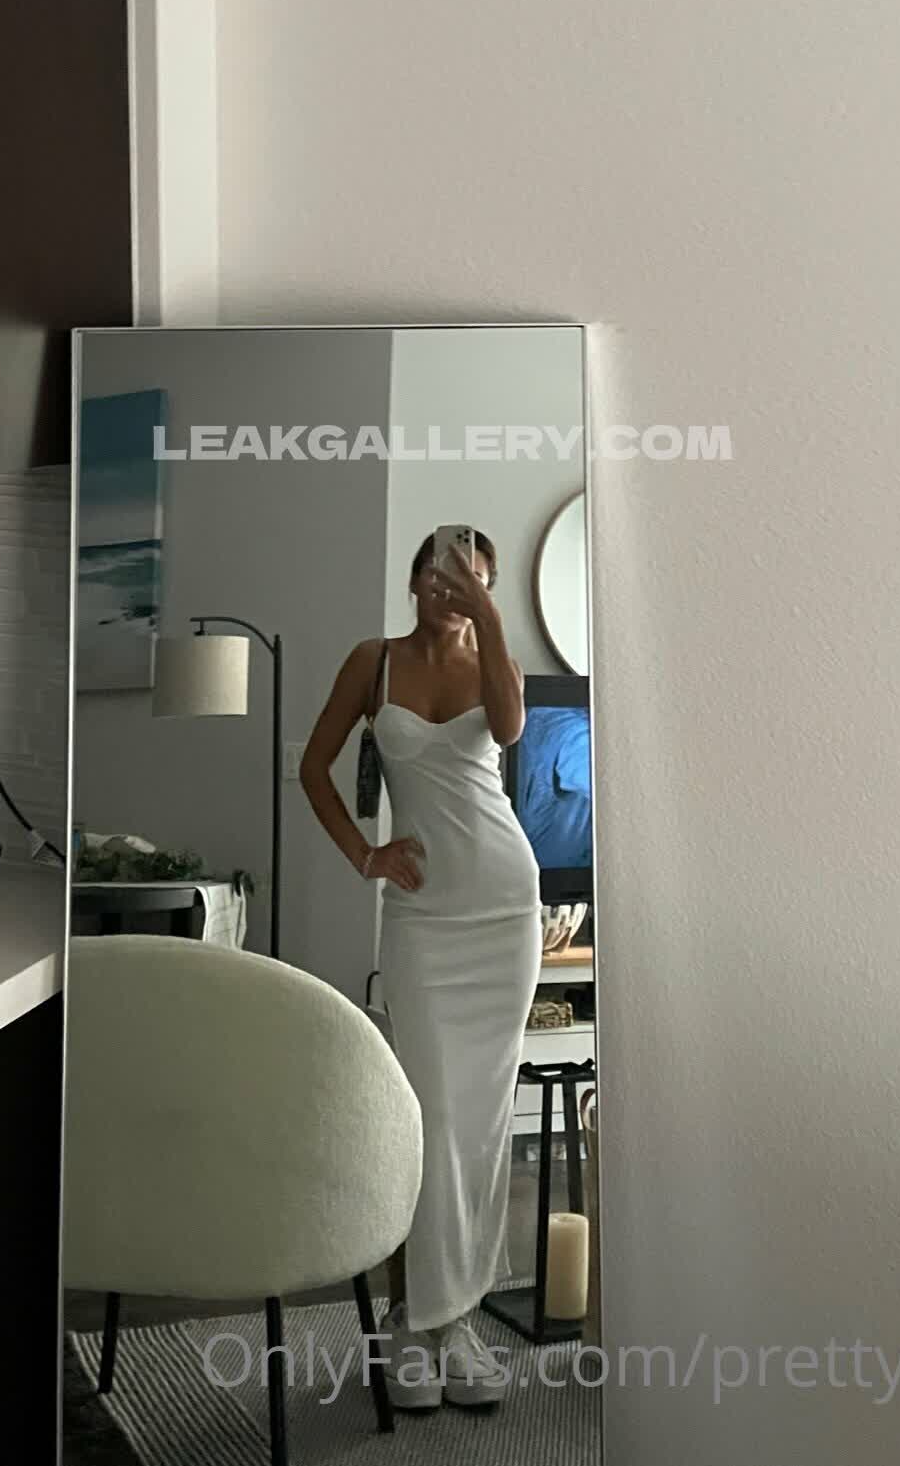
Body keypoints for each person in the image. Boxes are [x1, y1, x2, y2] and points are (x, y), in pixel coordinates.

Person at [299, 529, 541, 1413]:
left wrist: (489, 619)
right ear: (414, 579)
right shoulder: (373, 662)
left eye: (475, 579)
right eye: (443, 574)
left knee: (481, 1124)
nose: (455, 589)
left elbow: (509, 728)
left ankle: (458, 1322)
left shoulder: (494, 662)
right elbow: (313, 769)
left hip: (504, 908)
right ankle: (412, 1319)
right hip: (424, 921)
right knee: (430, 1117)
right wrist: (366, 855)